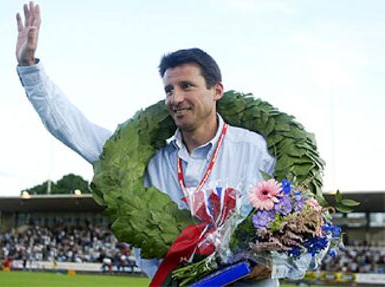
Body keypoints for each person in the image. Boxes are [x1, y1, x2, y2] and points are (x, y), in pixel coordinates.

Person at [15, 2, 307, 286]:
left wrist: (271, 263)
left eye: (187, 86)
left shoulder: (256, 151)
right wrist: (30, 69)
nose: (175, 98)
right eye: (169, 89)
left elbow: (302, 228)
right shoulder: (149, 162)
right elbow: (73, 128)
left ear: (217, 90)